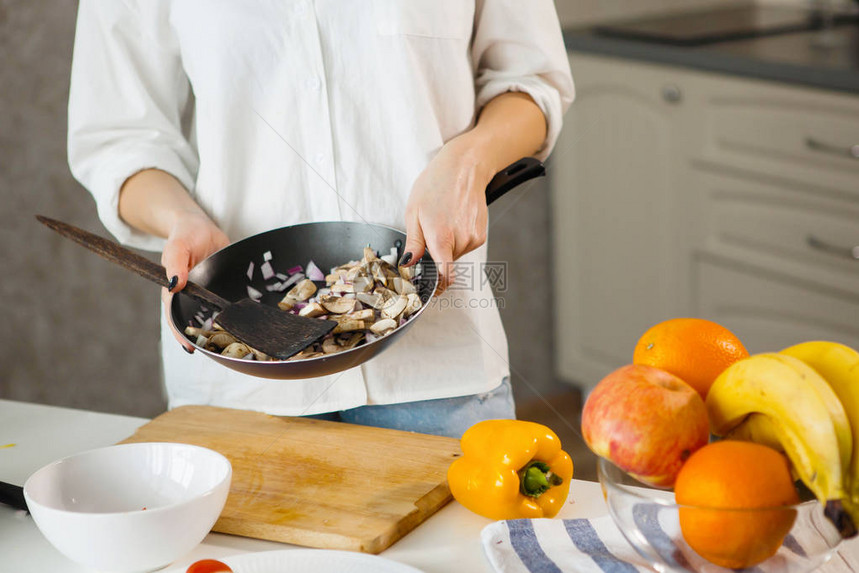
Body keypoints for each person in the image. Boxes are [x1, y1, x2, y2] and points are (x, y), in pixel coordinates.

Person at [67, 1, 574, 438]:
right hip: (241, 384)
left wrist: (468, 159)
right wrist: (180, 217)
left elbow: (532, 80)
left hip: (435, 370)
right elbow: (118, 139)